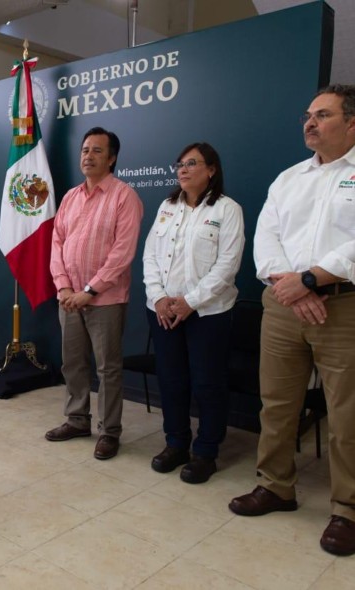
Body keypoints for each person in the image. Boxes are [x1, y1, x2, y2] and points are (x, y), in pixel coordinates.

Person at [229, 84, 355, 557]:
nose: (309, 122)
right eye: (308, 114)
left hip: (344, 306)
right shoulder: (287, 178)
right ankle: (276, 486)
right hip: (283, 304)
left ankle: (347, 510)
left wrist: (312, 278)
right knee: (277, 404)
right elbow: (267, 238)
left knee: (348, 414)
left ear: (351, 122)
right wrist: (292, 286)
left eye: (322, 114)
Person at [143, 142, 244, 484]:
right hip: (164, 311)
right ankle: (176, 443)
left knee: (207, 383)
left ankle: (205, 451)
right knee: (171, 381)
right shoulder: (167, 205)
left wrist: (190, 301)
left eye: (192, 163)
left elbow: (227, 266)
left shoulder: (227, 209)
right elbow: (150, 256)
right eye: (179, 164)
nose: (182, 169)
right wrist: (158, 298)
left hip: (208, 313)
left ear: (211, 170)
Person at [46, 127, 143, 460]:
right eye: (85, 150)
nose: (88, 156)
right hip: (69, 298)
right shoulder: (71, 196)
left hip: (105, 300)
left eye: (97, 151)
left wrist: (89, 291)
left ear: (112, 157)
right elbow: (56, 242)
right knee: (72, 363)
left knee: (107, 369)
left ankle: (109, 431)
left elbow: (123, 252)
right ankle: (76, 420)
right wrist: (64, 286)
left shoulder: (124, 196)